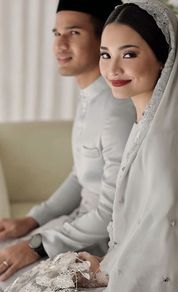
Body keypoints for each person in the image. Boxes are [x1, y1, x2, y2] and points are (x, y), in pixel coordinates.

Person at [4, 0, 178, 291]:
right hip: (116, 255)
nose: (112, 68)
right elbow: (125, 215)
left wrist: (102, 269)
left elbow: (161, 240)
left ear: (164, 58)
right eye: (106, 54)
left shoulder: (155, 138)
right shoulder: (142, 123)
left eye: (129, 54)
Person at [0, 0, 136, 290]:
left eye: (73, 33)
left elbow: (112, 213)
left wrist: (36, 245)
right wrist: (32, 220)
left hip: (98, 241)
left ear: (104, 39)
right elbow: (80, 176)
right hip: (73, 225)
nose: (60, 44)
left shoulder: (117, 110)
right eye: (55, 33)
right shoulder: (90, 98)